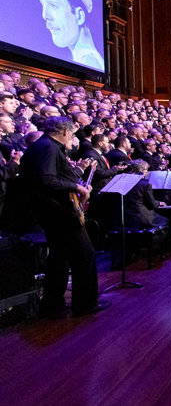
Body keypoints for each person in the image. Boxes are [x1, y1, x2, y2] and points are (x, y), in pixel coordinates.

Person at [20, 117, 108, 317]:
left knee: (59, 258)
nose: (73, 137)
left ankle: (52, 305)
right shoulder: (48, 148)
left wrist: (76, 183)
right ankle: (85, 304)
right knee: (84, 255)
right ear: (65, 132)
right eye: (73, 133)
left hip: (51, 212)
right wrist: (75, 186)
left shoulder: (42, 145)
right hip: (60, 213)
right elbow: (45, 180)